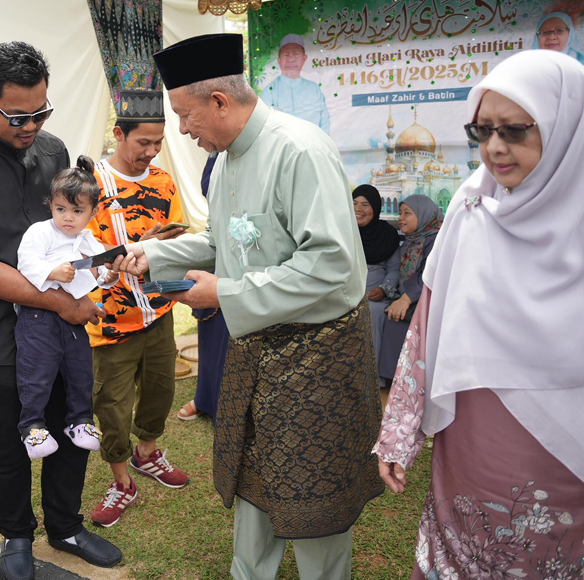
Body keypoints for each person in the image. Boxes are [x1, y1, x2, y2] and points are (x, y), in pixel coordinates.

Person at [114, 33, 383, 580]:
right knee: (251, 474)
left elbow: (330, 263)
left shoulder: (299, 150)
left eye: (185, 116)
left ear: (219, 101)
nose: (181, 131)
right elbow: (223, 242)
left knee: (316, 492)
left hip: (317, 360)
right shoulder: (226, 161)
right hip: (257, 353)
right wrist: (154, 253)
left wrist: (225, 293)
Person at [376, 49, 584, 577]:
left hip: (579, 454)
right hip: (475, 440)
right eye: (482, 131)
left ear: (569, 129)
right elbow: (426, 327)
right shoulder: (472, 209)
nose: (495, 148)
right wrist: (400, 433)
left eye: (515, 130)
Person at [0, 41, 121, 580]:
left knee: (70, 416)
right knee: (11, 436)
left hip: (61, 321)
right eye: (17, 116)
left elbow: (71, 232)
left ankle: (66, 525)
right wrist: (62, 303)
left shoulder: (52, 150)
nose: (31, 126)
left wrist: (98, 271)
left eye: (41, 112)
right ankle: (16, 534)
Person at [86, 88, 191, 528]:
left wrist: (160, 247)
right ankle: (121, 481)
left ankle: (147, 453)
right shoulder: (90, 184)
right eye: (142, 142)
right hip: (110, 321)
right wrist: (123, 256)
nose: (150, 152)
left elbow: (179, 235)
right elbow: (81, 251)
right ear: (118, 134)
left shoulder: (163, 182)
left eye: (158, 143)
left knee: (160, 390)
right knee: (111, 405)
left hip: (159, 311)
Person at [15, 156, 116, 459]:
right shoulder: (40, 232)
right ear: (51, 205)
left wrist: (108, 276)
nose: (67, 218)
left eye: (77, 211)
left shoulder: (89, 240)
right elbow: (26, 262)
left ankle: (81, 421)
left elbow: (101, 270)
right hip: (38, 316)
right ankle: (32, 427)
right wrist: (52, 272)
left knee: (81, 369)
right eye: (61, 209)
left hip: (74, 320)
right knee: (37, 371)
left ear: (93, 212)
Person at [178, 150, 229, 423]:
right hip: (216, 254)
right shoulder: (215, 154)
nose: (185, 130)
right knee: (210, 340)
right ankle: (205, 398)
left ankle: (227, 407)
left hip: (243, 268)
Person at [375, 194, 441, 384]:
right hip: (412, 296)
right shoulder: (412, 241)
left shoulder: (436, 241)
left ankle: (404, 381)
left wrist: (406, 299)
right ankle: (396, 380)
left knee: (395, 317)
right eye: (400, 213)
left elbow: (430, 274)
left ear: (423, 214)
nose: (400, 218)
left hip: (429, 300)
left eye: (407, 213)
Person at [352, 184, 402, 366]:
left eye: (365, 204)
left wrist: (383, 290)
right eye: (354, 203)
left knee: (373, 312)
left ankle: (373, 374)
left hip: (374, 297)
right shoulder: (342, 232)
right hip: (344, 295)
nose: (358, 209)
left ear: (375, 207)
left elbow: (394, 269)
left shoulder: (386, 234)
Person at [260, 33, 331, 133]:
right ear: (279, 60)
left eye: (296, 54)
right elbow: (265, 125)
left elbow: (324, 121)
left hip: (312, 142)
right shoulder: (270, 91)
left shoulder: (314, 89)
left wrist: (320, 142)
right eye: (286, 55)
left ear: (304, 58)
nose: (291, 59)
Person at [532, 11, 584, 93]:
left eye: (559, 30)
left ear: (570, 34)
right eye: (545, 32)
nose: (551, 37)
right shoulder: (530, 66)